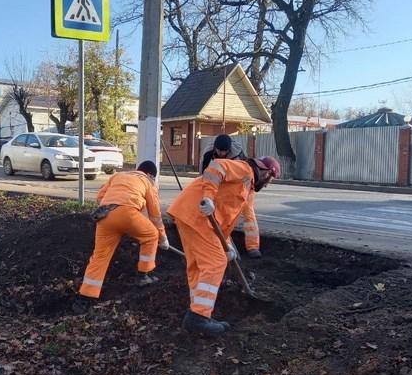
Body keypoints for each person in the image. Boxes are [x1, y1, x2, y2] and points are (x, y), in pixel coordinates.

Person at [168, 154, 281, 337]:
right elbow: (217, 167)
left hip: (190, 214)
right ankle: (198, 317)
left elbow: (224, 219)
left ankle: (196, 311)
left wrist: (226, 245)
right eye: (270, 178)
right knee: (216, 262)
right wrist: (209, 198)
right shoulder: (245, 170)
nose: (267, 184)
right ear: (265, 171)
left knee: (199, 265)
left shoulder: (246, 188)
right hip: (198, 215)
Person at [75, 160, 168, 311]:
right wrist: (163, 238)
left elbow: (100, 196)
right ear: (151, 175)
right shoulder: (146, 181)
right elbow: (155, 215)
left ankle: (86, 296)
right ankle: (144, 276)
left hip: (105, 216)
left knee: (100, 256)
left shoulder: (119, 175)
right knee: (151, 235)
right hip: (126, 213)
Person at [201, 134, 263, 259]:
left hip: (243, 185)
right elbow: (204, 175)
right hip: (218, 182)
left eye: (224, 151)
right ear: (215, 148)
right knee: (221, 214)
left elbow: (242, 175)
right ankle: (224, 243)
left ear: (229, 149)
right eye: (219, 150)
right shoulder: (208, 153)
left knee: (247, 212)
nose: (221, 153)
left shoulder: (237, 155)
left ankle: (253, 247)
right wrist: (207, 195)